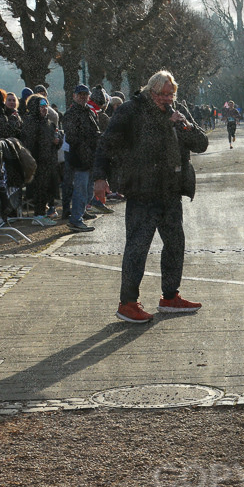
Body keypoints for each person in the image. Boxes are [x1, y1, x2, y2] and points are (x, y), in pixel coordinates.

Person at [92, 70, 208, 323]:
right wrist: (99, 178)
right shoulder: (131, 111)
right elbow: (106, 144)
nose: (168, 99)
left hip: (170, 191)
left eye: (171, 94)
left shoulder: (176, 112)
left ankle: (170, 297)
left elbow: (201, 143)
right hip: (142, 190)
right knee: (138, 247)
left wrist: (182, 125)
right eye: (163, 94)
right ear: (150, 91)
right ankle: (128, 303)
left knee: (175, 244)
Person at [62, 84, 100, 233]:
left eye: (85, 94)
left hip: (90, 157)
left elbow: (93, 132)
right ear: (74, 96)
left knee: (88, 189)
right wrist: (88, 143)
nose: (83, 96)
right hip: (79, 159)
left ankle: (81, 212)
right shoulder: (71, 114)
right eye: (80, 94)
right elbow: (72, 137)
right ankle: (76, 219)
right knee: (81, 189)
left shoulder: (89, 112)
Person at [21, 94, 61, 220]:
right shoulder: (30, 122)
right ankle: (38, 216)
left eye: (46, 106)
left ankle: (44, 213)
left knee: (47, 190)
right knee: (39, 190)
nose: (45, 109)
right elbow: (29, 144)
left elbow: (55, 141)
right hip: (37, 163)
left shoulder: (48, 123)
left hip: (49, 163)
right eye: (42, 106)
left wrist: (57, 141)